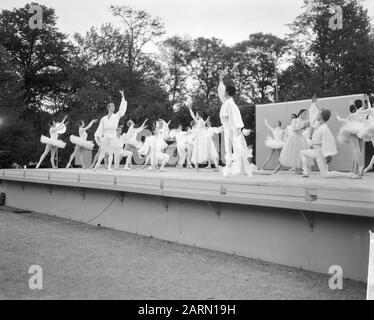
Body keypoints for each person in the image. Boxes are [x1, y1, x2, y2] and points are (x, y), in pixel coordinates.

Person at [300, 109, 360, 179]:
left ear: (321, 116)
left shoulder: (324, 128)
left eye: (318, 114)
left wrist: (328, 155)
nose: (317, 115)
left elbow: (329, 141)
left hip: (320, 152)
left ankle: (350, 175)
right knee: (302, 153)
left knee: (325, 174)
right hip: (316, 151)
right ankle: (306, 172)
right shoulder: (318, 126)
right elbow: (311, 130)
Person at [218, 72, 245, 176]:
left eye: (225, 91)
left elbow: (235, 117)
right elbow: (221, 94)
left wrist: (238, 129)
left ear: (227, 92)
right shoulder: (227, 102)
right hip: (227, 128)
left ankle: (235, 167)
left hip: (231, 129)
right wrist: (221, 80)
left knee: (234, 147)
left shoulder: (230, 104)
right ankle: (229, 167)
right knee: (228, 148)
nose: (223, 92)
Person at [94, 90, 127, 171]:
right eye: (111, 106)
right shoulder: (104, 118)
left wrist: (123, 96)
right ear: (108, 108)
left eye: (113, 106)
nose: (113, 107)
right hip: (105, 135)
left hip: (113, 135)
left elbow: (122, 109)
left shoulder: (116, 116)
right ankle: (97, 165)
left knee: (111, 151)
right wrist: (98, 136)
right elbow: (100, 128)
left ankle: (109, 167)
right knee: (102, 151)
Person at [275, 108, 311, 174]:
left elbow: (303, 130)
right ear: (300, 113)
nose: (305, 115)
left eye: (306, 114)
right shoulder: (295, 120)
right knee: (292, 153)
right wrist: (302, 127)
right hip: (294, 138)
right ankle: (279, 167)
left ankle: (298, 169)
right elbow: (294, 129)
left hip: (301, 138)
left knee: (300, 153)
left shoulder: (304, 121)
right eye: (304, 113)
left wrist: (305, 127)